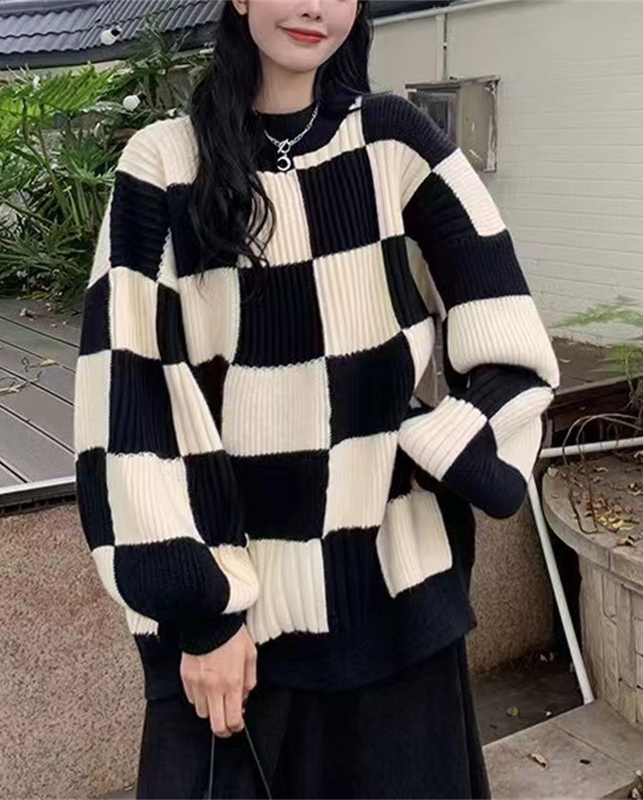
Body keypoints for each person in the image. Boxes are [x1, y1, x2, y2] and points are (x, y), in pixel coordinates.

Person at [72, 0, 561, 797]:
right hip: (240, 637)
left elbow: (514, 344)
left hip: (399, 612)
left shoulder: (394, 139)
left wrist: (442, 444)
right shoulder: (164, 162)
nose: (312, 7)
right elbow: (128, 396)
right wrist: (204, 615)